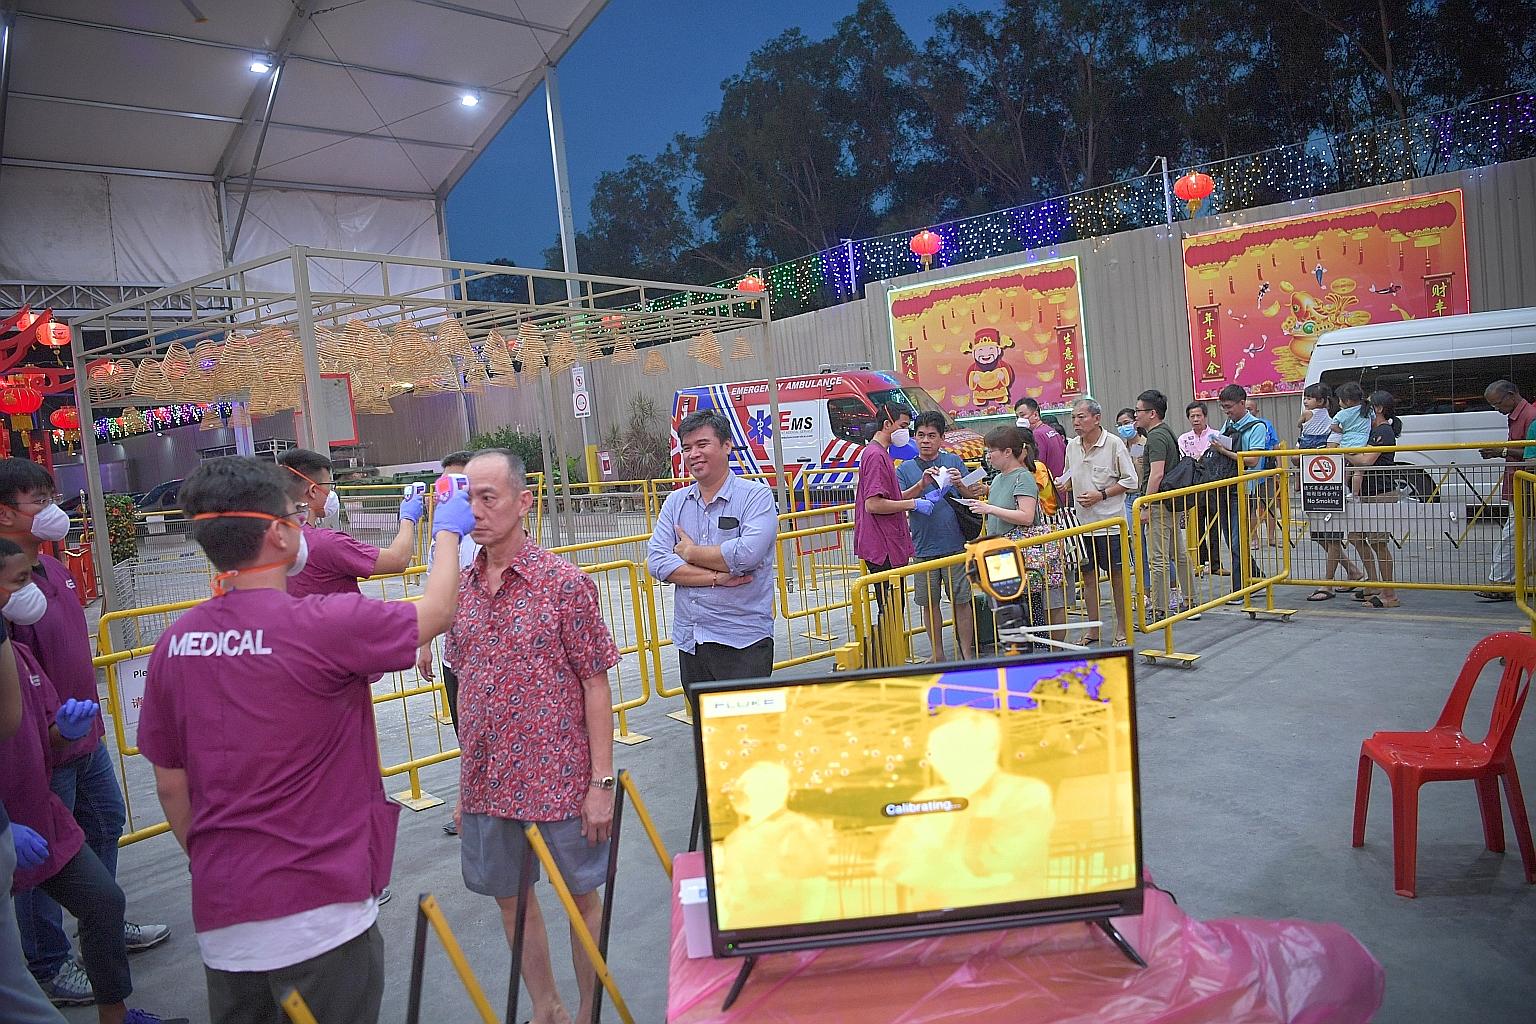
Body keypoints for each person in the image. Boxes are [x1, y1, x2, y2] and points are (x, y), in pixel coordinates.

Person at [136, 457, 470, 1024]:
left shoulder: (177, 642)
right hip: (321, 911)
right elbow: (436, 611)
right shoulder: (323, 624)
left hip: (225, 921)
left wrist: (220, 861)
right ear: (276, 532)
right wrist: (445, 529)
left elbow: (171, 785)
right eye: (294, 513)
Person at [447, 449, 621, 1024]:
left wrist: (600, 783)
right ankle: (546, 1008)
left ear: (523, 503)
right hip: (489, 785)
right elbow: (465, 686)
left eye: (487, 497)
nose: (475, 510)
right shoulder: (461, 590)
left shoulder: (563, 585)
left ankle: (591, 1009)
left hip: (561, 780)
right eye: (467, 497)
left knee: (581, 900)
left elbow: (596, 685)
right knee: (512, 901)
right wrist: (466, 780)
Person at [0, 459, 169, 1007]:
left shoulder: (48, 570)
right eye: (38, 501)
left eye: (52, 496)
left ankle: (101, 926)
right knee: (43, 860)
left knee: (103, 823)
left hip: (81, 733)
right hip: (39, 748)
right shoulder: (8, 588)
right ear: (5, 513)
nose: (52, 510)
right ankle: (48, 960)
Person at [647, 410, 778, 688]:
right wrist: (718, 577)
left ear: (727, 445)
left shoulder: (756, 497)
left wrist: (690, 553)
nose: (694, 454)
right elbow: (657, 563)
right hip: (692, 641)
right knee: (704, 730)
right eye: (687, 448)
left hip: (743, 640)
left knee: (744, 730)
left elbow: (746, 555)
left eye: (702, 444)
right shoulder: (675, 503)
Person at [0, 550, 68, 1024]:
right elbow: (7, 717)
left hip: (33, 804)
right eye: (16, 580)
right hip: (15, 814)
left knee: (103, 899)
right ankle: (50, 957)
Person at [414, 451, 481, 837]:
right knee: (465, 733)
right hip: (452, 655)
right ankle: (472, 807)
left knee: (488, 733)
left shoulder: (486, 532)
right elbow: (432, 591)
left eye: (460, 484)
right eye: (445, 486)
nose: (451, 493)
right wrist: (425, 643)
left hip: (486, 658)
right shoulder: (443, 535)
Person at [962, 425, 1069, 641]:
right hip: (1001, 553)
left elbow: (1026, 516)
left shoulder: (1024, 477)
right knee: (1010, 609)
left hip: (1022, 554)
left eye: (992, 450)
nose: (988, 456)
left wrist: (989, 508)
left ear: (1007, 452)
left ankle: (1047, 652)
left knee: (1033, 606)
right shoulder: (1000, 478)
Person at [277, 449, 423, 599]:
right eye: (329, 486)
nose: (331, 493)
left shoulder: (270, 539)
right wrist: (408, 517)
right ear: (313, 491)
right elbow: (397, 560)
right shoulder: (325, 543)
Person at [895, 411, 979, 662]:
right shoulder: (906, 469)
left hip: (955, 543)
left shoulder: (954, 461)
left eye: (932, 435)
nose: (926, 441)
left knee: (962, 601)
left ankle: (967, 652)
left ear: (942, 438)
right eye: (921, 435)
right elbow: (899, 500)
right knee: (928, 603)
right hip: (923, 547)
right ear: (914, 437)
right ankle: (937, 654)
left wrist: (959, 483)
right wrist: (921, 485)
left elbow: (971, 496)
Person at [1058, 400, 1138, 645]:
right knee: (1089, 579)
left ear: (1097, 418)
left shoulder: (1113, 444)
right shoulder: (1072, 445)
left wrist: (1101, 495)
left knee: (1118, 578)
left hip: (1111, 524)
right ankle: (1093, 629)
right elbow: (1070, 473)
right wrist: (1064, 483)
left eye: (1081, 417)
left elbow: (1131, 481)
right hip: (1083, 525)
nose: (1076, 423)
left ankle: (1123, 629)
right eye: (1073, 418)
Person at [854, 404, 925, 665]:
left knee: (893, 607)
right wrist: (913, 505)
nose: (905, 433)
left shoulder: (881, 454)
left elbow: (891, 498)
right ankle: (887, 661)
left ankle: (890, 658)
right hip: (881, 544)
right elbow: (874, 504)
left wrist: (920, 487)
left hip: (887, 543)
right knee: (890, 608)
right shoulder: (875, 456)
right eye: (903, 426)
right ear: (888, 424)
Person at [1298, 384, 1365, 601]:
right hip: (1314, 483)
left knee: (1332, 535)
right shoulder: (1318, 422)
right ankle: (1353, 571)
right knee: (1319, 534)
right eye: (1306, 397)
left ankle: (1328, 584)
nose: (1307, 402)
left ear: (1323, 401)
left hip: (1331, 483)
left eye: (1311, 398)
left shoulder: (1335, 422)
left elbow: (1332, 450)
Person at [1133, 390, 1194, 620]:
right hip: (1169, 502)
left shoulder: (1156, 437)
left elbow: (1156, 474)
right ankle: (1190, 599)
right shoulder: (1165, 431)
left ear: (1152, 413)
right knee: (1177, 553)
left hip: (1159, 503)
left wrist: (1146, 504)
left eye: (1139, 411)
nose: (1136, 415)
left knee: (1157, 559)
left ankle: (1160, 608)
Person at [1477, 380, 1536, 601]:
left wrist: (1501, 451)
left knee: (1513, 536)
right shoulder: (1520, 416)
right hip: (1520, 486)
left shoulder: (1530, 416)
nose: (1497, 410)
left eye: (1498, 404)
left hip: (1527, 488)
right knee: (1520, 536)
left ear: (1511, 395)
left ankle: (1500, 582)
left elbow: (1531, 455)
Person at [1345, 392, 1403, 609]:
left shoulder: (1384, 432)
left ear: (1378, 408)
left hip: (1381, 493)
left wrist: (1343, 449)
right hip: (1365, 494)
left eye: (1367, 405)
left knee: (1379, 543)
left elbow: (1366, 461)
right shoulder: (1371, 431)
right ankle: (1373, 582)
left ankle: (1389, 594)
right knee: (1355, 537)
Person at [1214, 385, 1271, 599]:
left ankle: (1240, 587)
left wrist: (1225, 451)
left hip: (1244, 489)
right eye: (1223, 408)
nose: (1227, 412)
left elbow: (1253, 459)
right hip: (1226, 487)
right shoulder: (1228, 424)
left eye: (1229, 407)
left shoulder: (1257, 427)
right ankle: (1256, 577)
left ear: (1242, 403)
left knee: (1238, 540)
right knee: (1231, 540)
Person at [1178, 402, 1225, 577]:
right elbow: (1185, 460)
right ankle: (1199, 562)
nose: (1196, 419)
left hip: (1213, 486)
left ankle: (1215, 564)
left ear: (1205, 416)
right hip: (1193, 486)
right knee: (1196, 525)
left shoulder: (1216, 435)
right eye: (1192, 416)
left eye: (1199, 415)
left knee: (1214, 525)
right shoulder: (1183, 439)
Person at [1244, 398, 1281, 547]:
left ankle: (1271, 537)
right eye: (1246, 408)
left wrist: (1278, 468)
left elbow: (1275, 446)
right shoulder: (1240, 426)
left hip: (1267, 471)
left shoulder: (1266, 425)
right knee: (1251, 507)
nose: (1248, 412)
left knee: (1270, 506)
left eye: (1251, 409)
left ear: (1256, 411)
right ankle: (1253, 538)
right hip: (1248, 474)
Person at [1330, 383, 1372, 501]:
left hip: (1346, 443)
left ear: (1347, 401)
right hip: (1361, 443)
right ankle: (1354, 494)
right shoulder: (1367, 409)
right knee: (1358, 470)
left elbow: (1333, 427)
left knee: (1346, 467)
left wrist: (1343, 431)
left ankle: (1343, 488)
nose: (1339, 402)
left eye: (1339, 400)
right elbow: (1373, 421)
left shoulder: (1342, 414)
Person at [1015, 397, 1066, 479]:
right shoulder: (1050, 430)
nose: (1019, 420)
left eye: (1022, 415)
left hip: (1047, 486)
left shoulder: (1037, 435)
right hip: (1060, 483)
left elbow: (1037, 466)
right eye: (1017, 417)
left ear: (1035, 415)